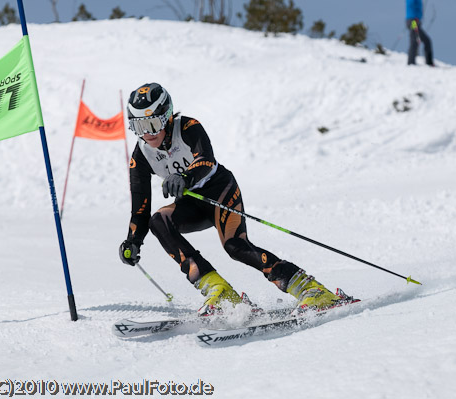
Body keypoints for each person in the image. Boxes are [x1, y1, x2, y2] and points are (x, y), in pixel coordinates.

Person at [118, 83, 352, 315]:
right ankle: (220, 293)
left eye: (153, 124)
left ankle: (313, 290)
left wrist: (184, 177)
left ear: (167, 116)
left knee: (236, 247)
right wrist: (133, 241)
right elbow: (140, 208)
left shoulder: (188, 127)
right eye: (139, 126)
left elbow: (205, 160)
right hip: (193, 204)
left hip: (220, 191)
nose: (148, 133)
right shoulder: (141, 156)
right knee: (159, 220)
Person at [406, 0, 434, 66]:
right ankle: (411, 62)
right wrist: (415, 17)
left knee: (425, 41)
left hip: (414, 21)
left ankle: (428, 62)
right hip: (413, 21)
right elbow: (411, 4)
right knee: (414, 41)